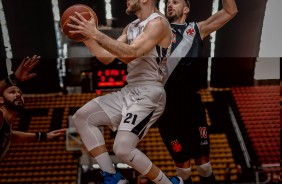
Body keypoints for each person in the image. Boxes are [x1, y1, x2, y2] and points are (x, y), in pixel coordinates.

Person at [67, 0, 183, 184]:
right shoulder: (131, 27)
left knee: (122, 148)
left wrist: (95, 33)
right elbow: (107, 58)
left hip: (149, 91)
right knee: (82, 117)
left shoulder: (158, 23)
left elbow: (130, 53)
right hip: (129, 90)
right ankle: (112, 177)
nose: (126, 1)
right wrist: (87, 38)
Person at [157, 0, 238, 184]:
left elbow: (230, 11)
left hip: (192, 105)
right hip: (167, 109)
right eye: (168, 2)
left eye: (175, 2)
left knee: (204, 166)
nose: (170, 4)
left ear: (186, 9)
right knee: (183, 171)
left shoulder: (196, 29)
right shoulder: (157, 31)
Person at [0, 55, 67, 162]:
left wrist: (43, 136)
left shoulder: (6, 127)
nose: (18, 95)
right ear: (1, 100)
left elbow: (13, 136)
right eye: (12, 92)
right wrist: (13, 78)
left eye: (20, 93)